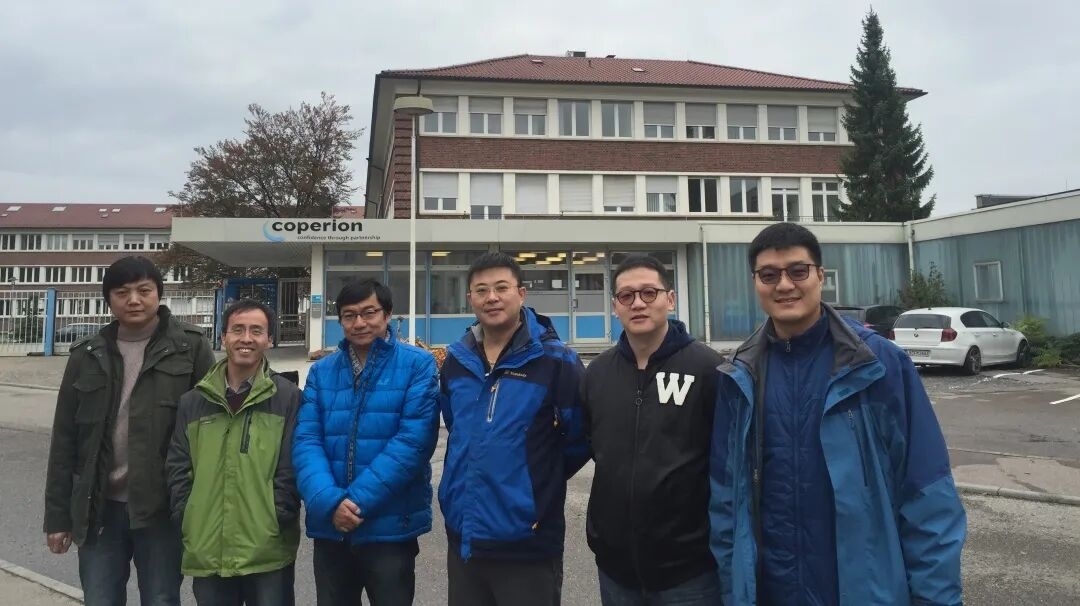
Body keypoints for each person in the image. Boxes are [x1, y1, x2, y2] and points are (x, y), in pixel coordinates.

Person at [709, 223, 966, 605]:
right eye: (769, 275)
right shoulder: (740, 375)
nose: (784, 285)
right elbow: (727, 501)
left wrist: (936, 599)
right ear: (755, 282)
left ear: (820, 276)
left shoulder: (879, 365)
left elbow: (927, 495)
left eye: (798, 270)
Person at [43, 255, 215, 605]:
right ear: (109, 299)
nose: (133, 300)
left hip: (162, 507)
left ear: (159, 294)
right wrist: (58, 517)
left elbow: (210, 433)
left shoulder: (191, 347)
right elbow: (64, 441)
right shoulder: (85, 355)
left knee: (162, 598)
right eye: (122, 292)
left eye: (143, 290)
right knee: (100, 598)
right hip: (98, 508)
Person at [438, 251, 589, 606]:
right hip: (465, 536)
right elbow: (457, 427)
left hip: (527, 543)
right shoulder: (456, 362)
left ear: (521, 294)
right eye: (482, 290)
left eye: (501, 287)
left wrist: (535, 478)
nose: (492, 297)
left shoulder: (556, 361)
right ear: (470, 299)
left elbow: (581, 438)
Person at [582, 254, 724, 605]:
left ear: (670, 299)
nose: (638, 304)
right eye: (626, 296)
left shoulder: (708, 369)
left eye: (649, 293)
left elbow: (727, 464)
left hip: (688, 573)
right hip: (616, 570)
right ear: (615, 305)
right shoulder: (597, 374)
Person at [293, 278, 440, 606]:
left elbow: (413, 442)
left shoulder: (418, 365)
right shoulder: (322, 372)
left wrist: (356, 503)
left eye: (368, 312)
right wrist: (331, 503)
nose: (359, 323)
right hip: (330, 527)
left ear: (387, 315)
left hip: (389, 528)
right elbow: (306, 441)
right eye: (349, 315)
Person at [165, 299, 302, 605]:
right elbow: (178, 466)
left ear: (269, 339)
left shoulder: (287, 397)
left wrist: (277, 515)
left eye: (257, 330)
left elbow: (291, 466)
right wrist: (187, 515)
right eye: (237, 329)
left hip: (267, 546)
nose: (246, 338)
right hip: (208, 544)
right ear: (223, 337)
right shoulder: (193, 401)